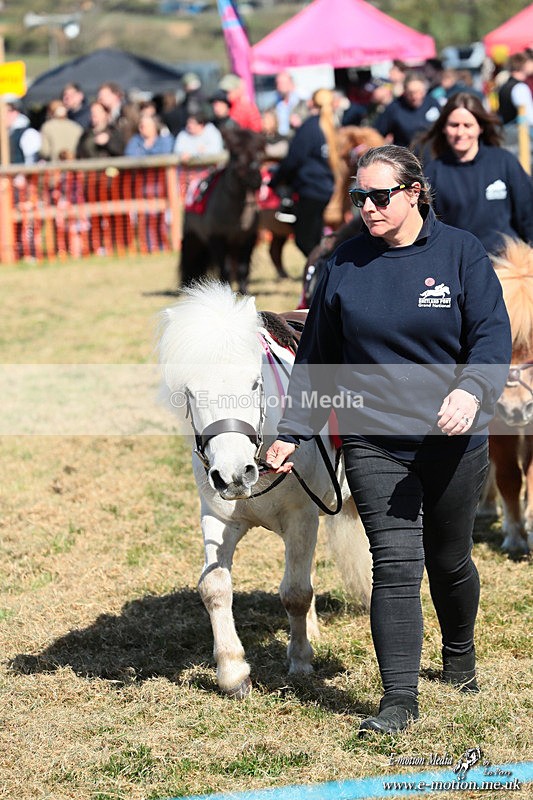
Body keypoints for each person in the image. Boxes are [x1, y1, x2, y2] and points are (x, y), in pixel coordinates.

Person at [265, 144, 512, 735]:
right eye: (359, 197)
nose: (368, 207)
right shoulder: (343, 266)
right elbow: (318, 359)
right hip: (374, 440)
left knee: (447, 558)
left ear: (413, 193)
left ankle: (459, 655)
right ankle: (397, 699)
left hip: (454, 439)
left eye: (379, 196)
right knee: (395, 566)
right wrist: (292, 433)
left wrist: (471, 391)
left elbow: (491, 337)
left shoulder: (461, 253)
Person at [420, 92, 533, 254]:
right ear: (444, 128)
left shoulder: (504, 161)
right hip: (461, 264)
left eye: (467, 125)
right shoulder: (433, 172)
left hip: (508, 264)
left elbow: (528, 215)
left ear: (480, 127)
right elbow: (429, 229)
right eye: (454, 125)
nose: (460, 133)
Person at [270, 88, 339, 256]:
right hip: (325, 187)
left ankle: (324, 270)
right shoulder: (330, 126)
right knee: (315, 238)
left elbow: (293, 159)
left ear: (311, 103)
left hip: (310, 189)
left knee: (305, 240)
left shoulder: (310, 127)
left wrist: (276, 180)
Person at [374, 72, 441, 147]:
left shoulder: (432, 103)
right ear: (405, 92)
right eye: (411, 93)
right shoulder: (394, 108)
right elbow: (376, 134)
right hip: (406, 153)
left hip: (431, 151)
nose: (415, 96)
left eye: (420, 92)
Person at [497, 51, 533, 126]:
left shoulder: (504, 86)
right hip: (521, 133)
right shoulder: (520, 87)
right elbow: (529, 117)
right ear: (524, 65)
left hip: (508, 130)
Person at [274, 71, 301, 136]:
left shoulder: (302, 103)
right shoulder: (277, 105)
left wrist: (300, 123)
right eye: (277, 83)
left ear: (291, 84)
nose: (279, 86)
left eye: (282, 83)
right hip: (280, 141)